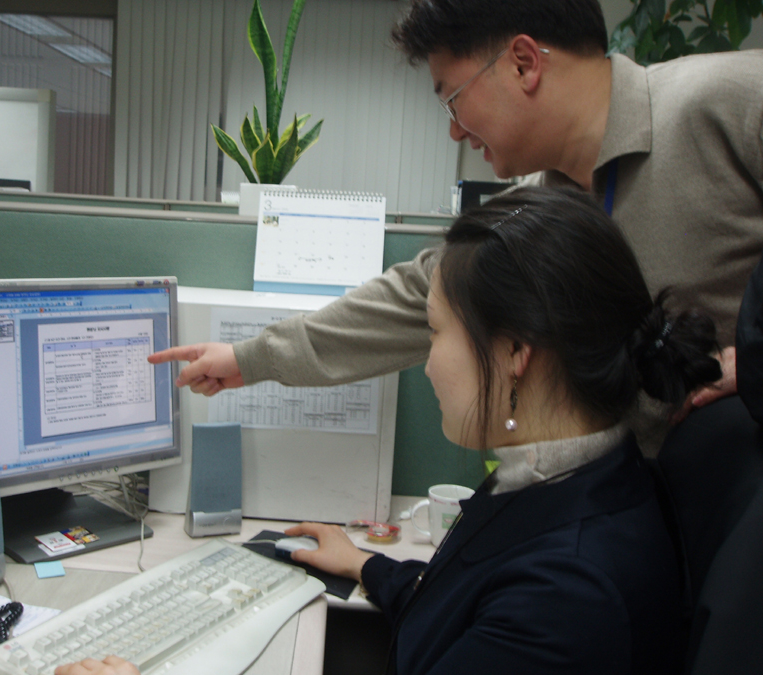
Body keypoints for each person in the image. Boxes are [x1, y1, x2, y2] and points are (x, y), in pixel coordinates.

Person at [60, 187, 722, 675]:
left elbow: (507, 607)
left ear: (516, 351)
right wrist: (370, 565)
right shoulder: (563, 477)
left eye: (435, 333)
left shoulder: (572, 594)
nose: (427, 361)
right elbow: (466, 606)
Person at [148, 0, 763, 444]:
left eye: (451, 97)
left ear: (524, 63)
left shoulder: (725, 103)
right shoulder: (535, 209)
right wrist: (250, 358)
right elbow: (412, 296)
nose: (452, 130)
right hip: (658, 533)